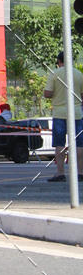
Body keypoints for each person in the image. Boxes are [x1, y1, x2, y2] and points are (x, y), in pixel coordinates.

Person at [43, 51, 83, 182]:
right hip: (76, 113)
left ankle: (60, 173)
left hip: (59, 113)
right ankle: (80, 172)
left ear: (59, 61)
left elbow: (48, 93)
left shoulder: (54, 74)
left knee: (59, 144)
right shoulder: (79, 74)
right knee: (79, 144)